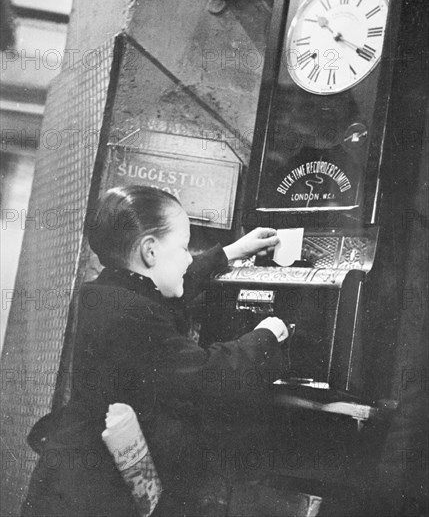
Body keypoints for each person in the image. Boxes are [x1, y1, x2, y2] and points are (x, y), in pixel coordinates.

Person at [22, 185, 289, 517]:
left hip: (77, 479)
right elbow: (207, 376)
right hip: (88, 496)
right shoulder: (128, 313)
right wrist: (264, 338)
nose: (190, 257)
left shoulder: (113, 290)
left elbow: (173, 281)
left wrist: (230, 253)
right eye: (183, 247)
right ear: (150, 251)